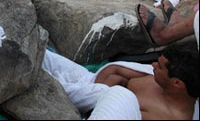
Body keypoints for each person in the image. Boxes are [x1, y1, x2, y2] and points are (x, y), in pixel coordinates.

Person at [43, 42, 198, 120]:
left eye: (160, 67)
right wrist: (98, 87)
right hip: (90, 80)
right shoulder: (159, 80)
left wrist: (104, 90)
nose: (153, 65)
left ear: (177, 83)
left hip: (79, 106)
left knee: (41, 79)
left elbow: (108, 109)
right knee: (42, 55)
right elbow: (114, 70)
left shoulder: (164, 116)